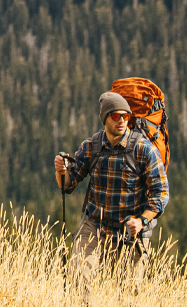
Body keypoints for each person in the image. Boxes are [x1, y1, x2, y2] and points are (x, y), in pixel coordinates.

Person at [54, 90, 170, 292]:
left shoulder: (144, 150)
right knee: (77, 281)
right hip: (95, 226)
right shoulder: (91, 147)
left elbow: (161, 194)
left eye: (126, 116)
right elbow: (68, 185)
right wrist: (61, 170)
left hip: (130, 232)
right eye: (116, 116)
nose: (122, 120)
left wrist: (141, 221)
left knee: (128, 298)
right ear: (105, 119)